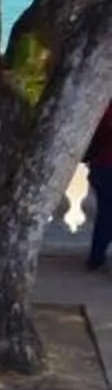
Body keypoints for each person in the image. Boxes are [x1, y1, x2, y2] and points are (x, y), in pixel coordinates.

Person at [86, 96, 112, 273]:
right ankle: (96, 257)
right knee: (106, 215)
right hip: (105, 166)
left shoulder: (102, 107)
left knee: (106, 215)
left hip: (102, 166)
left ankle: (96, 258)